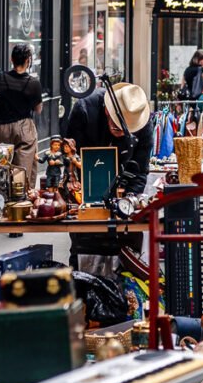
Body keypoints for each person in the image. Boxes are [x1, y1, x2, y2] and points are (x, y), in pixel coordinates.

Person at [66, 82, 153, 263]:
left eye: (127, 127)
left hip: (123, 192)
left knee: (128, 256)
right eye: (117, 124)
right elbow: (71, 159)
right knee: (85, 251)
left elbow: (140, 169)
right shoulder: (84, 110)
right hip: (89, 191)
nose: (121, 130)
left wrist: (130, 200)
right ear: (107, 110)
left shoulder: (142, 121)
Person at [0, 43, 43, 187]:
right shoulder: (34, 83)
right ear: (28, 61)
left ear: (11, 59)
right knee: (22, 170)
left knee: (0, 166)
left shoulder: (0, 77)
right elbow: (38, 109)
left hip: (2, 128)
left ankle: (0, 198)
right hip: (24, 127)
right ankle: (22, 199)